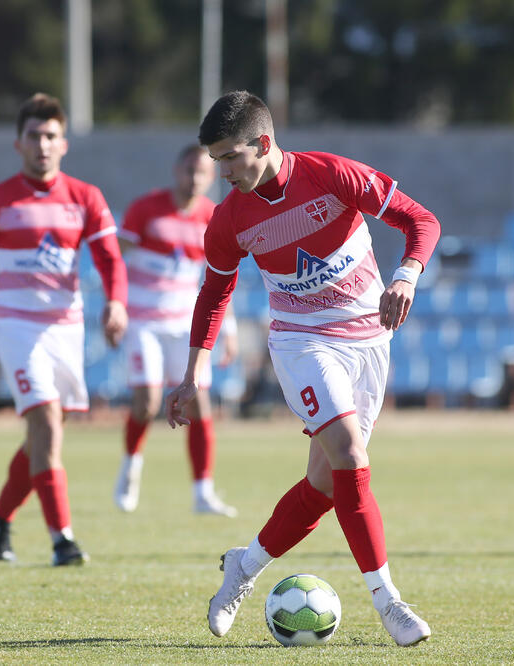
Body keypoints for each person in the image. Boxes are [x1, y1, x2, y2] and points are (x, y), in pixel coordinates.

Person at [165, 91, 440, 647]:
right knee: (350, 454)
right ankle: (389, 601)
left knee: (324, 484)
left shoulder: (331, 175)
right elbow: (213, 293)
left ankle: (243, 566)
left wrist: (407, 275)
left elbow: (421, 221)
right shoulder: (230, 218)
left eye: (228, 159)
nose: (221, 174)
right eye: (215, 162)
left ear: (263, 144)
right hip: (301, 343)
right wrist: (191, 374)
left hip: (369, 339)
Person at [0, 93, 128, 566]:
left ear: (63, 143)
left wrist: (116, 305)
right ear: (18, 143)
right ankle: (62, 540)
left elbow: (109, 258)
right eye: (33, 136)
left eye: (50, 136)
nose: (42, 145)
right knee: (46, 425)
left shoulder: (85, 197)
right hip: (16, 328)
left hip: (66, 329)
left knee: (42, 439)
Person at [114, 144, 240, 516]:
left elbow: (219, 280)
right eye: (189, 170)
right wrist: (115, 304)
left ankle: (203, 492)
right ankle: (130, 468)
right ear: (176, 169)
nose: (195, 178)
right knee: (148, 402)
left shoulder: (213, 216)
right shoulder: (146, 210)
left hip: (185, 324)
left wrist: (228, 328)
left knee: (200, 402)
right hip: (143, 322)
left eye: (203, 172)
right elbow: (114, 259)